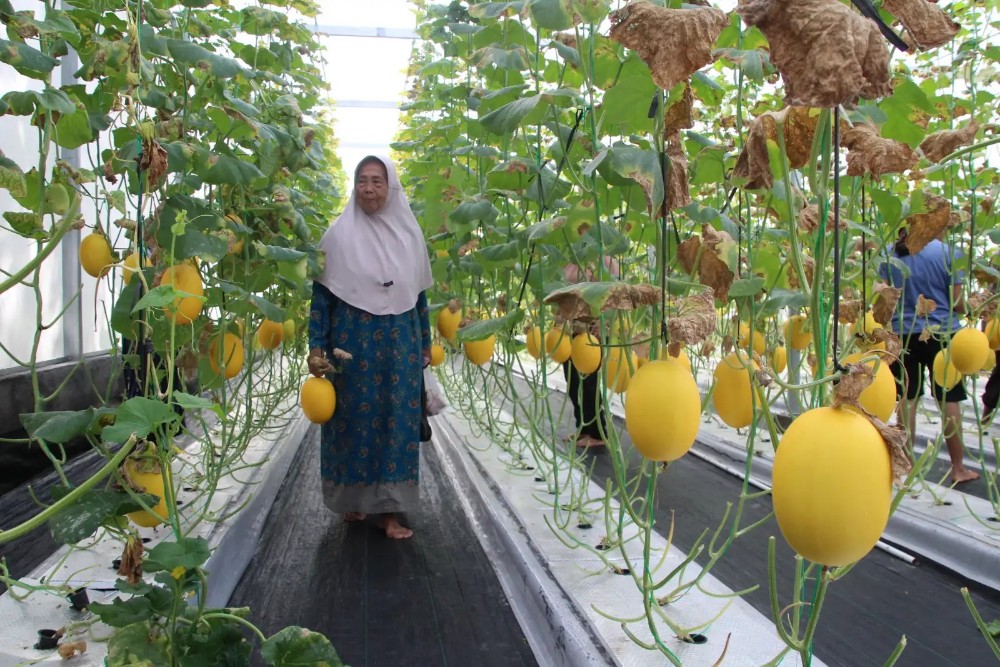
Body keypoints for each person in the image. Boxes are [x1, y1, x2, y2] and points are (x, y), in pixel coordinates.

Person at [307, 155, 433, 539]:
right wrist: (317, 347)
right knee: (351, 423)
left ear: (391, 187)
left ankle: (391, 514)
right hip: (351, 348)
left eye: (378, 181)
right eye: (362, 180)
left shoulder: (410, 237)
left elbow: (421, 296)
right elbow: (322, 298)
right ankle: (355, 503)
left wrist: (426, 342)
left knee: (397, 424)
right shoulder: (337, 236)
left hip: (401, 346)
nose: (369, 188)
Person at [881, 227, 979, 484]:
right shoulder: (947, 252)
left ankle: (908, 466)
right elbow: (958, 302)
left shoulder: (889, 254)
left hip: (903, 334)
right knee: (949, 398)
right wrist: (975, 306)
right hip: (943, 334)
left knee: (907, 399)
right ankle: (958, 467)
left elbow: (884, 301)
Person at [562, 256, 619, 448]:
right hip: (572, 330)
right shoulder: (571, 259)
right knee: (572, 381)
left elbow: (612, 296)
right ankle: (583, 428)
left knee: (589, 383)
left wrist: (604, 325)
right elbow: (563, 296)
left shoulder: (606, 260)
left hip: (594, 331)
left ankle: (597, 432)